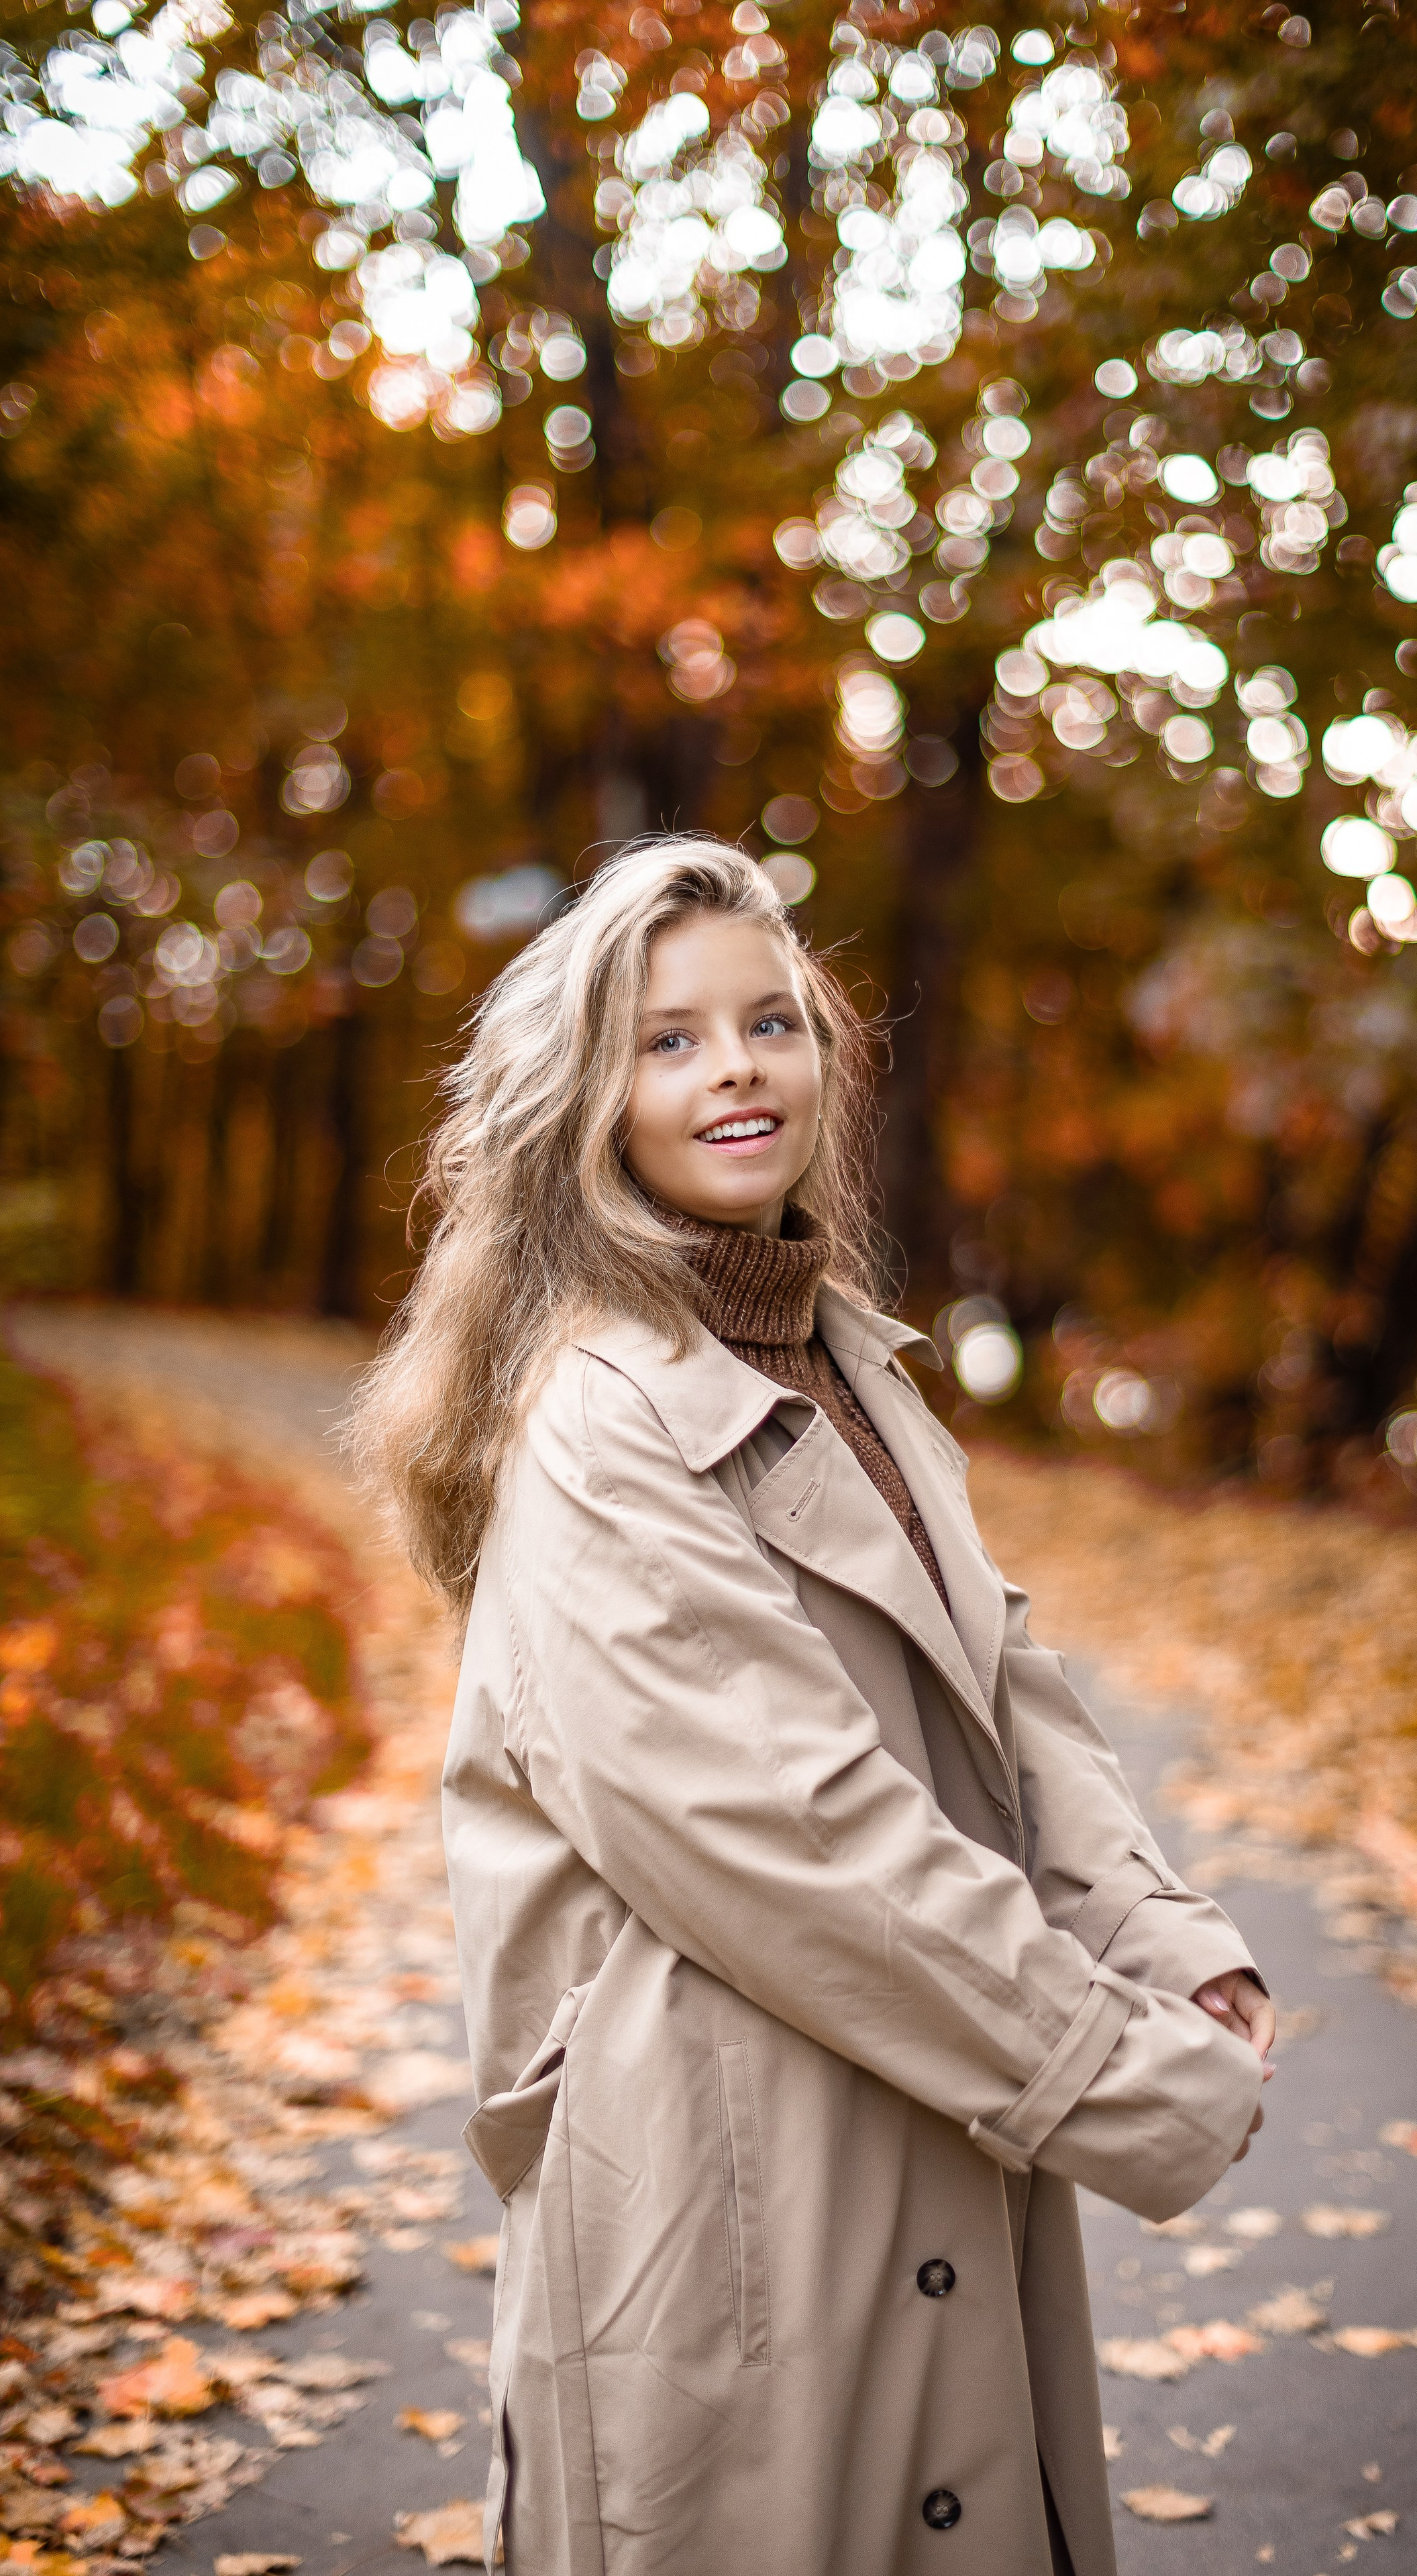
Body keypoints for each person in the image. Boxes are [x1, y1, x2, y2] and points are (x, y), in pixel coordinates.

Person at [349, 838, 1273, 2576]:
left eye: (769, 1022)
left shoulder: (842, 1355)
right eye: (670, 1039)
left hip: (914, 2091)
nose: (736, 1070)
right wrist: (1115, 2074)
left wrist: (1165, 1941)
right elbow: (800, 1840)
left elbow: (1000, 1686)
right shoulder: (598, 1426)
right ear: (588, 1097)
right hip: (732, 2192)